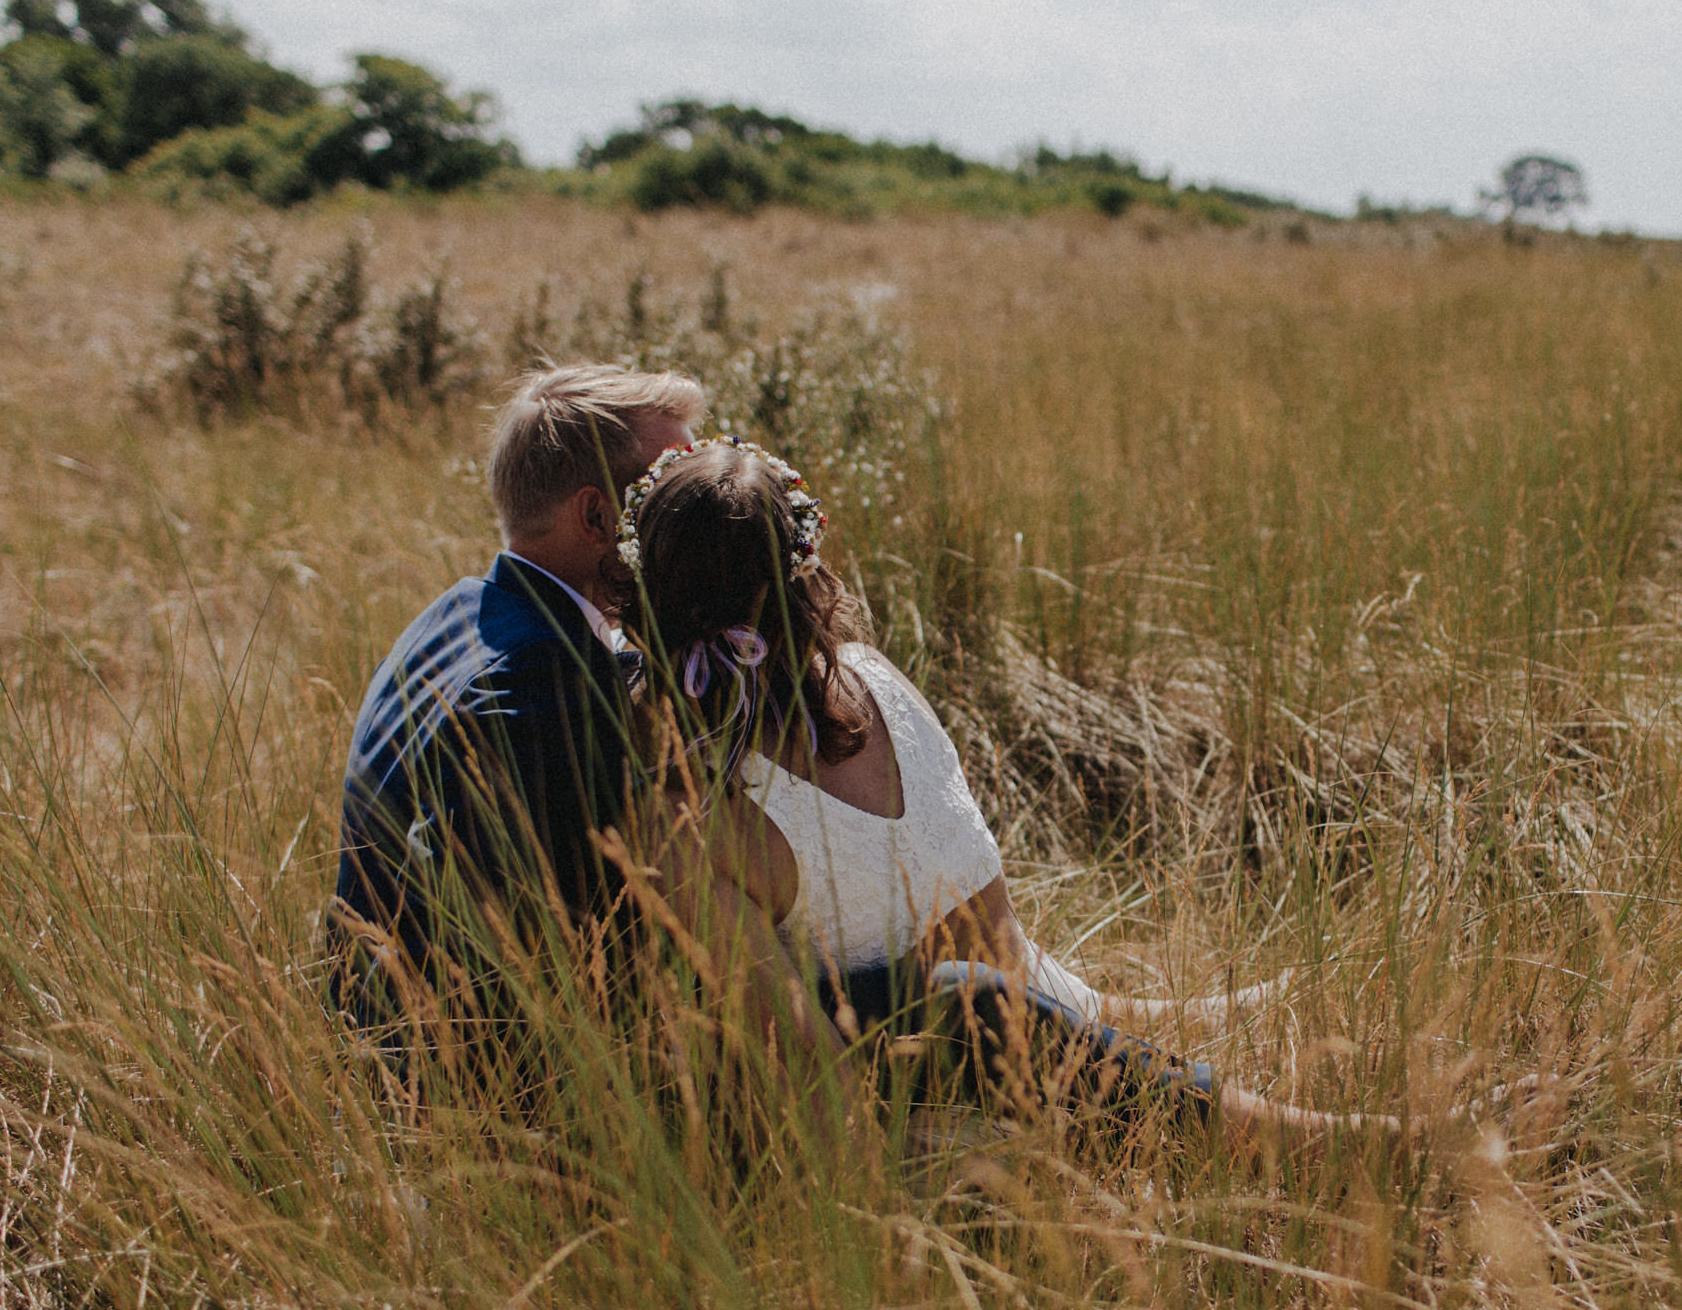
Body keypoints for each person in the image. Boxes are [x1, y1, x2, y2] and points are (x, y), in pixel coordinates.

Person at [622, 434, 1498, 1139]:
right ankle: (1330, 1142)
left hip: (994, 1020)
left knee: (1027, 1001)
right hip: (932, 1059)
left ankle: (1177, 1041)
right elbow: (811, 1056)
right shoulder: (773, 742)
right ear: (809, 570)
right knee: (980, 999)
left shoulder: (752, 748)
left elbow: (980, 943)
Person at [327, 365, 815, 1067]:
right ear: (595, 517)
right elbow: (566, 943)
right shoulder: (542, 682)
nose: (693, 508)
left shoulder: (459, 611)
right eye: (663, 494)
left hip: (378, 1029)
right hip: (467, 1089)